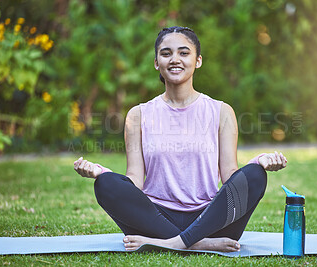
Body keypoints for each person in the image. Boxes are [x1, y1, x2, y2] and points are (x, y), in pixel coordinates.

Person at [74, 26, 287, 252]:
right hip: (154, 219)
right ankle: (198, 243)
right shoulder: (138, 115)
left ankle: (172, 243)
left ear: (198, 61)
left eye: (184, 53)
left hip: (210, 219)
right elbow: (135, 180)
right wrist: (103, 174)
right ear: (157, 62)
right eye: (166, 53)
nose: (175, 59)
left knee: (255, 175)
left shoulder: (221, 111)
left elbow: (229, 176)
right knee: (105, 184)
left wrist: (257, 164)